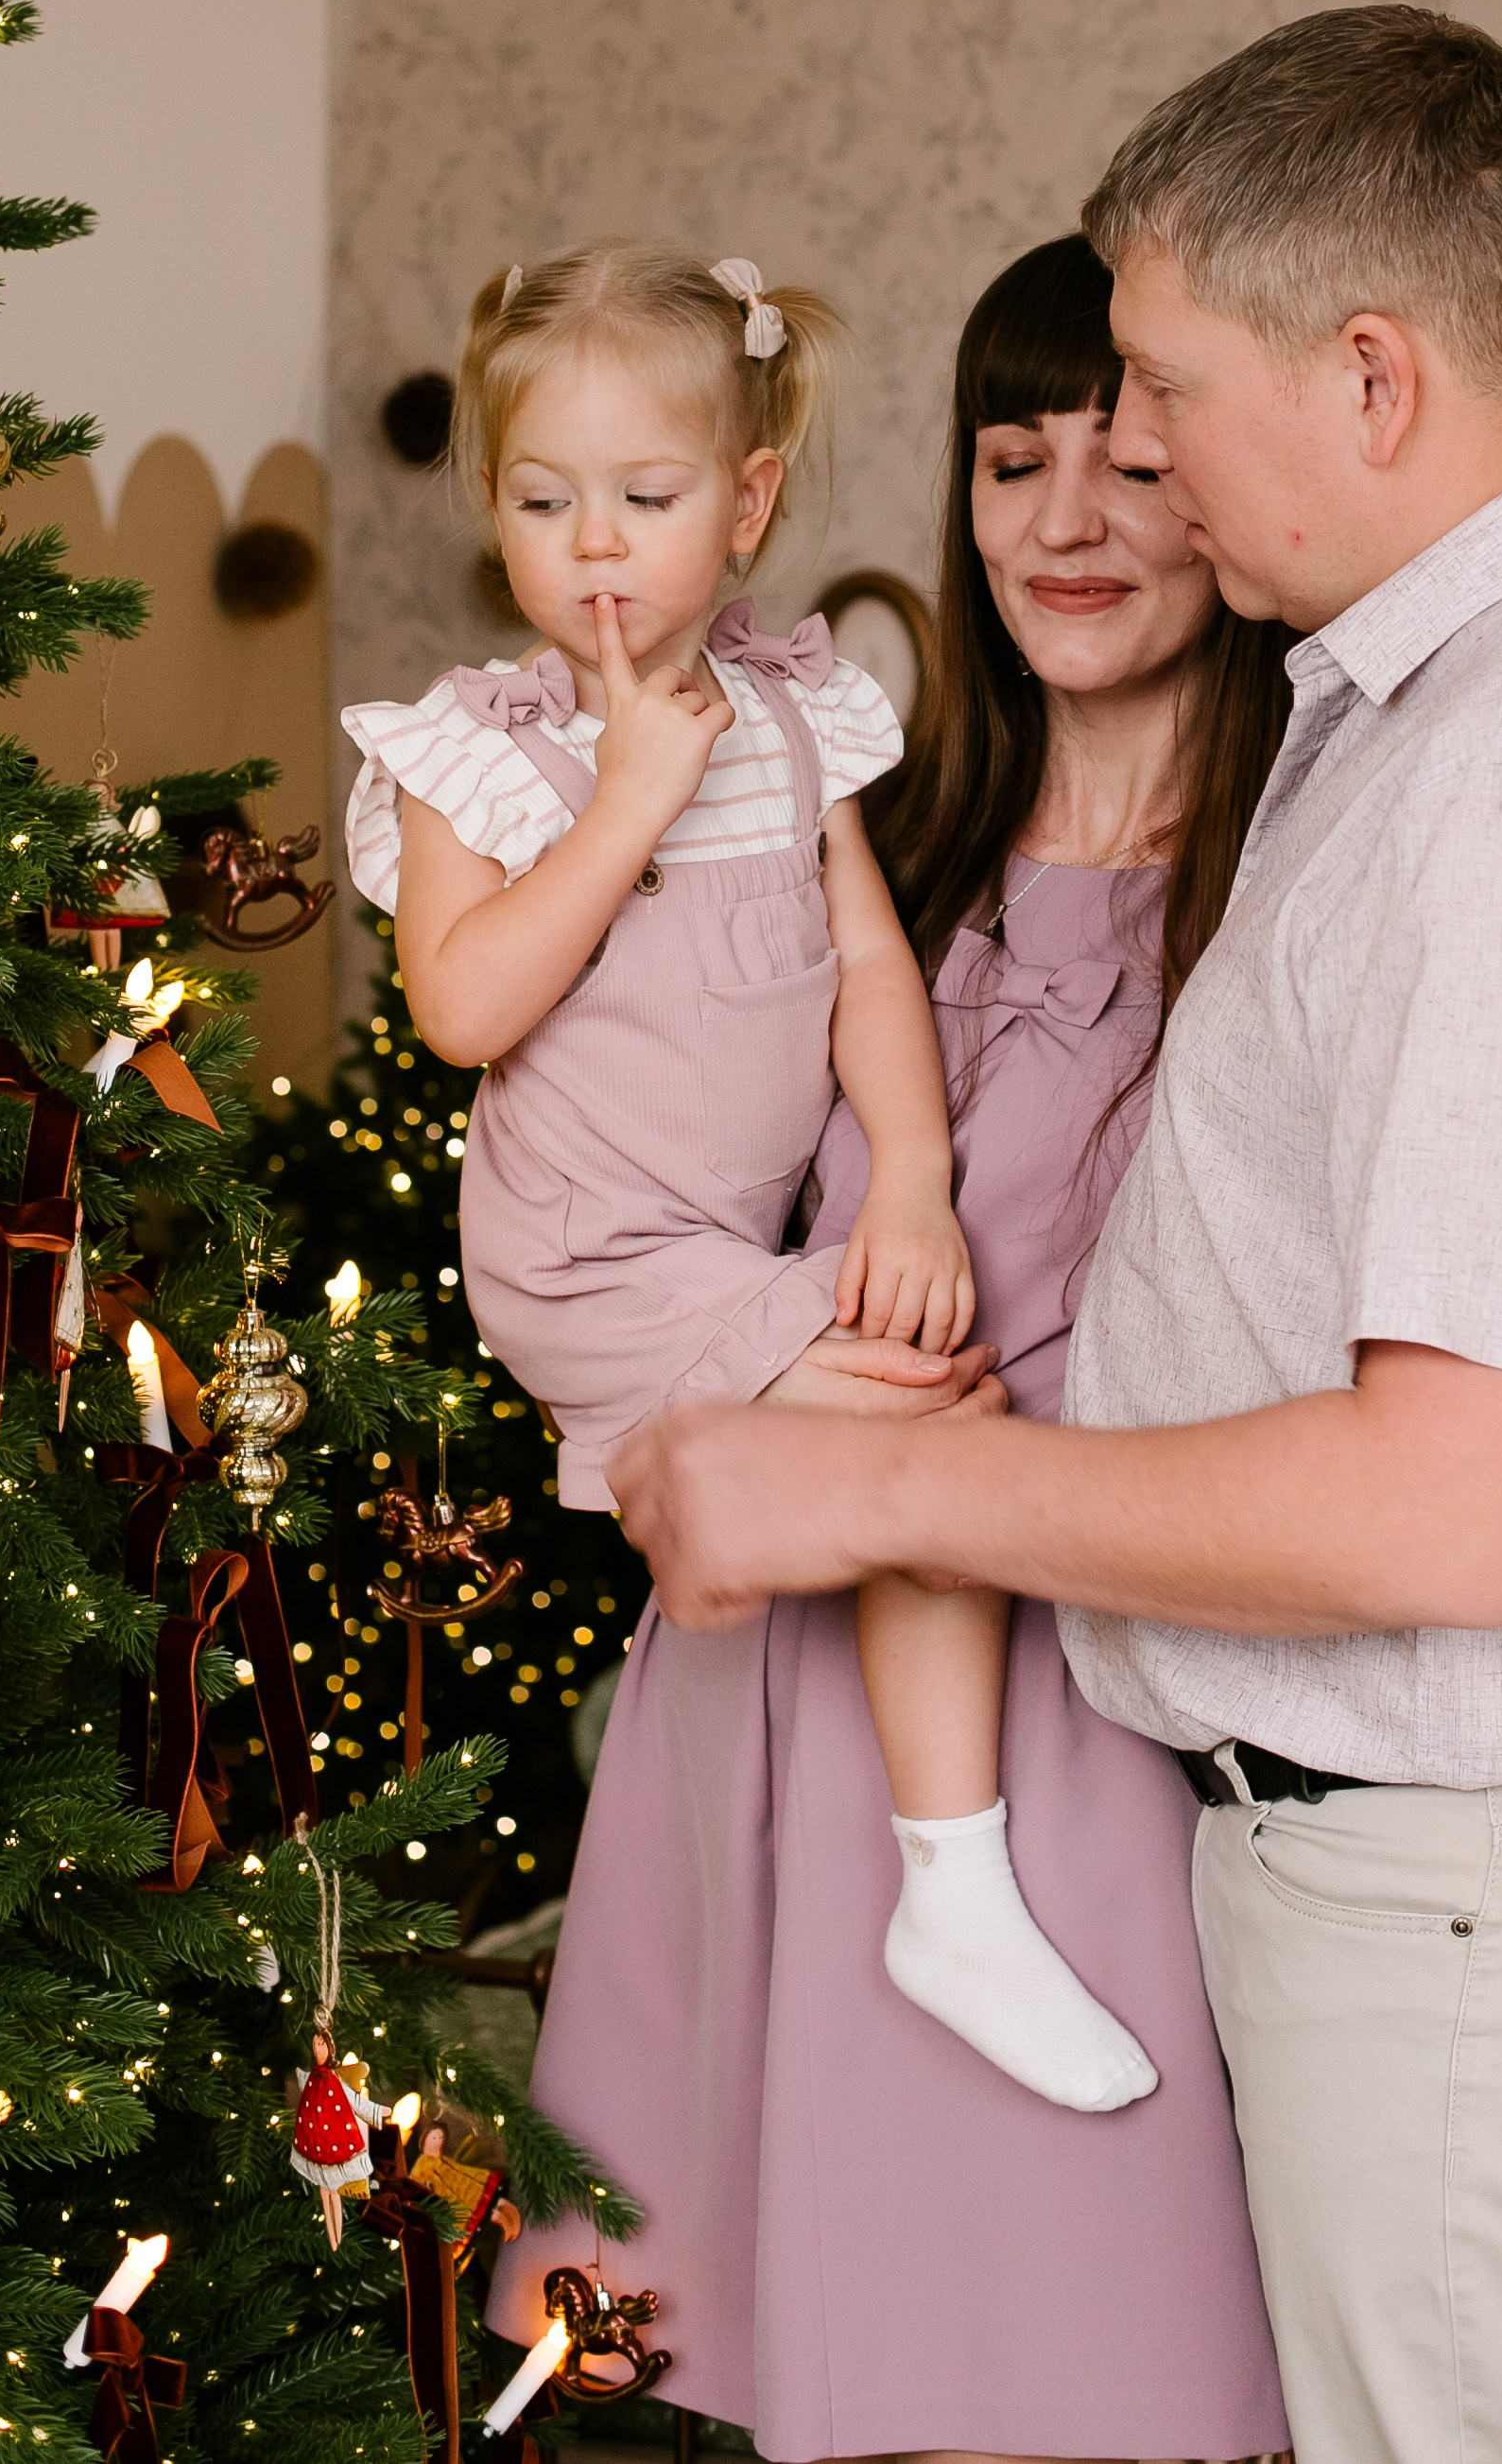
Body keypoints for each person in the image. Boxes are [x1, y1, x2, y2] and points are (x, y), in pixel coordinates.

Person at [616, 9, 1502, 2464]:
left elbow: (1452, 1506)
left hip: (1487, 1902)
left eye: (1165, 391)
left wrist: (875, 1486)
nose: (1137, 466)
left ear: (1368, 374)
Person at [488, 234, 1292, 2464]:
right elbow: (615, 1178)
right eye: (1009, 460)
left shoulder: (1304, 880)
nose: (1062, 522)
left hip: (1075, 1728)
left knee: (1070, 2375)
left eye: (1129, 464)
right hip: (775, 1694)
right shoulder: (861, 829)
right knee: (811, 2387)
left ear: (1224, 488)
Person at [341, 241, 1147, 2113]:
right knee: (921, 1428)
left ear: (748, 501)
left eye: (646, 496)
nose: (595, 547)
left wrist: (915, 1191)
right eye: (544, 501)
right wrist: (621, 796)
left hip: (734, 1237)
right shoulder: (493, 751)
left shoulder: (795, 718)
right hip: (589, 1255)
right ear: (494, 510)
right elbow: (459, 1003)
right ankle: (952, 1879)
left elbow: (873, 966)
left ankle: (908, 1846)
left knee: (913, 1403)